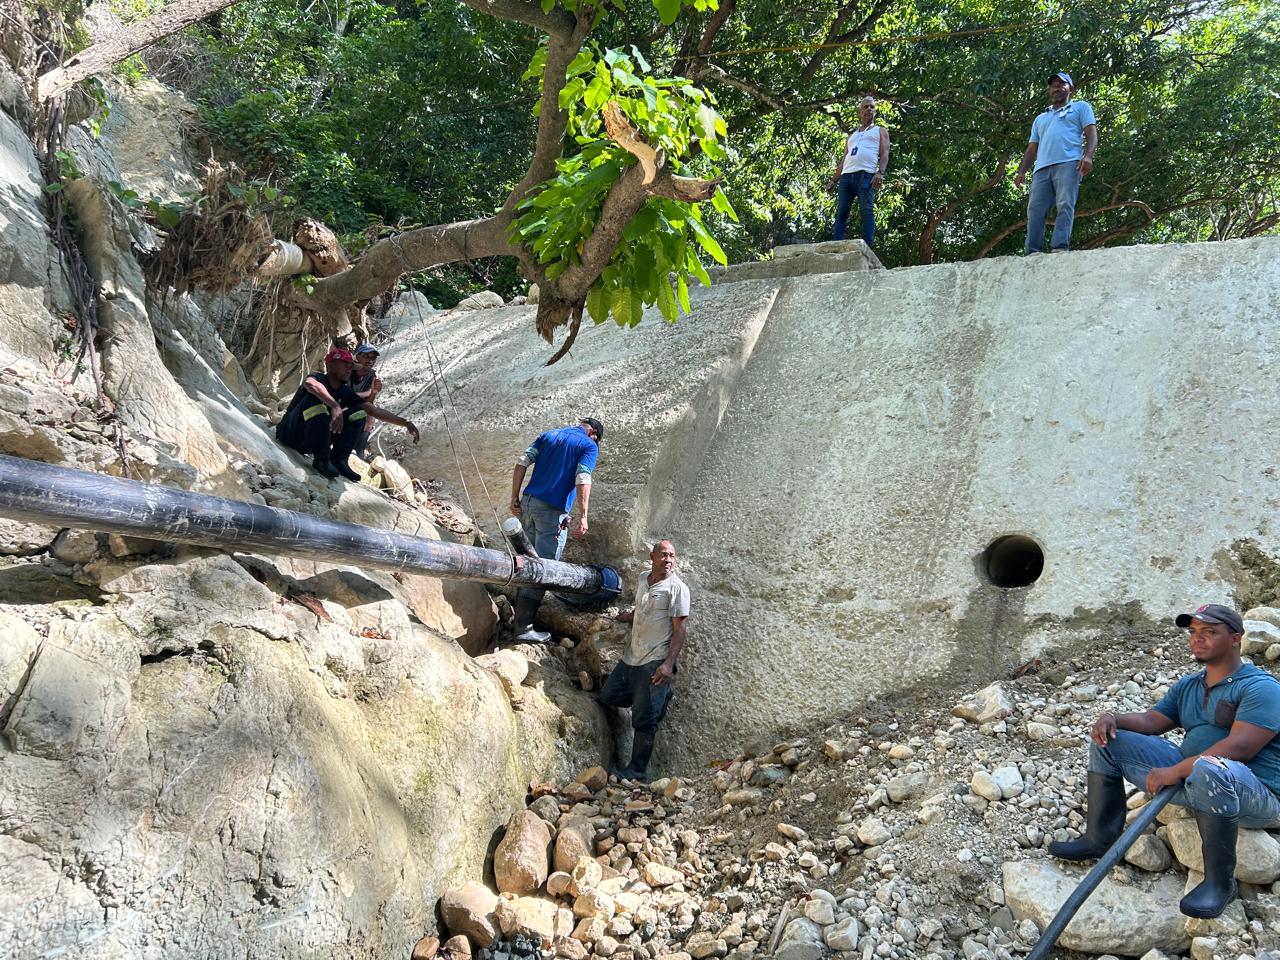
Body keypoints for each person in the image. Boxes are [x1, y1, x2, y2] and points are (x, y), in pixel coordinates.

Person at [1050, 603, 1280, 919]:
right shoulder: (1190, 685)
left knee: (1211, 768)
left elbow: (1239, 748)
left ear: (1236, 638)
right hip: (1194, 780)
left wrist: (1176, 770)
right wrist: (1113, 718)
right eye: (1194, 632)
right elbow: (1154, 720)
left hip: (1255, 795)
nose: (1198, 639)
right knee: (1109, 740)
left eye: (1210, 632)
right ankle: (1099, 838)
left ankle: (1219, 883)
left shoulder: (1261, 687)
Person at [600, 540, 690, 781]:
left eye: (672, 555)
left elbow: (680, 630)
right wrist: (626, 617)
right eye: (663, 555)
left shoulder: (677, 589)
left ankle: (637, 772)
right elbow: (642, 608)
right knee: (608, 695)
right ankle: (656, 699)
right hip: (632, 657)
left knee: (644, 720)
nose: (668, 560)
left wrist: (668, 664)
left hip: (654, 660)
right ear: (652, 557)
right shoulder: (643, 579)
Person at [508, 418, 603, 642]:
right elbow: (582, 478)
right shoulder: (589, 446)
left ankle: (517, 620)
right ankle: (523, 629)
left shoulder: (548, 435)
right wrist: (584, 516)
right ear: (594, 435)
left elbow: (522, 462)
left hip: (528, 504)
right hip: (551, 513)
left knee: (526, 562)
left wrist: (515, 497)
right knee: (543, 569)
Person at [275, 348, 420, 481]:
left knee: (359, 413)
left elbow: (373, 410)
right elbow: (311, 385)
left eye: (351, 366)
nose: (349, 369)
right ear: (330, 365)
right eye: (345, 365)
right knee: (314, 401)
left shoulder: (344, 391)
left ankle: (338, 460)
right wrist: (335, 405)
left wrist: (405, 423)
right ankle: (322, 460)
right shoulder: (317, 377)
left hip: (308, 445)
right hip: (289, 435)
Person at [1014, 70, 1098, 254]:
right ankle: (1033, 251)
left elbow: (1091, 133)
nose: (1057, 88)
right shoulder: (1041, 118)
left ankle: (1060, 247)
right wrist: (1021, 171)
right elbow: (1032, 149)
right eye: (1053, 85)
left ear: (1071, 89)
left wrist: (1088, 155)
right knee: (1035, 209)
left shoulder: (1080, 107)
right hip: (1041, 168)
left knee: (1065, 203)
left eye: (1062, 84)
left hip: (1069, 163)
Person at [827, 95, 890, 247]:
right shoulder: (851, 136)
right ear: (859, 112)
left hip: (866, 175)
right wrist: (833, 180)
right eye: (866, 107)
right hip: (847, 177)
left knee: (866, 210)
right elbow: (844, 159)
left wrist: (880, 172)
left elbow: (885, 153)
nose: (869, 109)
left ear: (875, 111)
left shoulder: (880, 131)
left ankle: (867, 247)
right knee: (841, 212)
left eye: (872, 107)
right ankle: (837, 244)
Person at [351, 342, 382, 459]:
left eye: (373, 358)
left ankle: (359, 449)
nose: (370, 360)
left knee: (370, 416)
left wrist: (374, 392)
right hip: (340, 402)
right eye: (365, 356)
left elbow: (369, 399)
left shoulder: (372, 375)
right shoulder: (349, 369)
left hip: (357, 404)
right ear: (357, 356)